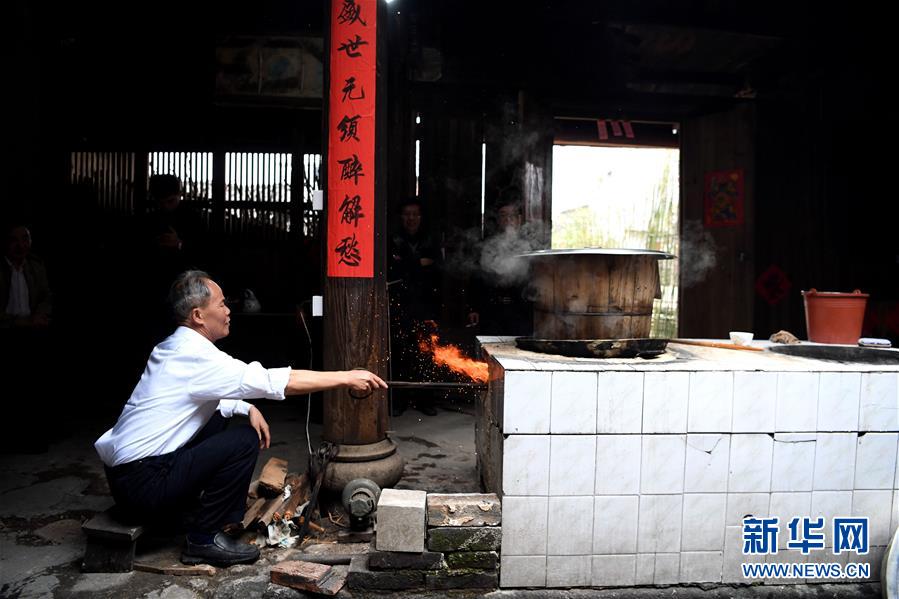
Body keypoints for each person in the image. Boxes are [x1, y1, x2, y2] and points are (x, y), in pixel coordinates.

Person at [95, 270, 386, 566]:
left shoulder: (175, 346)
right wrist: (346, 377)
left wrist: (247, 408)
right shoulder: (195, 355)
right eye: (221, 304)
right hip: (143, 487)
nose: (228, 311)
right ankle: (203, 540)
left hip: (128, 480)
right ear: (198, 315)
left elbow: (206, 395)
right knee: (244, 440)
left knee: (218, 417)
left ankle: (188, 512)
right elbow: (274, 381)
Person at [388, 198, 442, 416]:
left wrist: (406, 263)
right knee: (399, 353)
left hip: (425, 305)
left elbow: (438, 268)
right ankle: (398, 401)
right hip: (400, 304)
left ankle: (425, 400)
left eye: (415, 214)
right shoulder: (393, 239)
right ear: (401, 217)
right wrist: (418, 262)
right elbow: (392, 268)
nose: (411, 218)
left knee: (426, 353)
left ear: (420, 217)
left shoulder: (431, 239)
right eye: (407, 214)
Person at [467, 196, 535, 336]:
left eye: (512, 215)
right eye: (503, 215)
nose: (508, 219)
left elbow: (536, 281)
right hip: (491, 311)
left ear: (519, 219)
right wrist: (473, 308)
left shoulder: (529, 246)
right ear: (498, 220)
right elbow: (476, 278)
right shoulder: (487, 246)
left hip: (520, 311)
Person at [0, 223, 51, 329]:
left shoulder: (36, 267)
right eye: (14, 240)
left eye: (25, 239)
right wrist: (18, 322)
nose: (21, 245)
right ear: (5, 242)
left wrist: (39, 314)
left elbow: (45, 296)